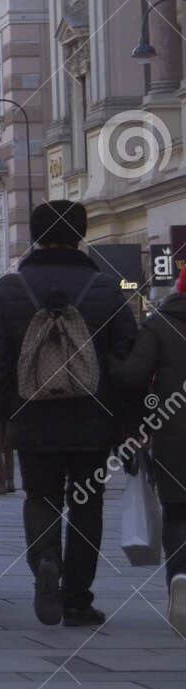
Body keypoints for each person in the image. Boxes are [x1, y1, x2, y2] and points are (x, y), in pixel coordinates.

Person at [0, 200, 137, 627]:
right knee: (87, 505)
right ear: (81, 235)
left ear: (35, 236)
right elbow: (129, 359)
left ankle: (46, 560)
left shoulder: (12, 289)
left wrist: (8, 408)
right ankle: (77, 600)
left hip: (32, 418)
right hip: (93, 419)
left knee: (40, 496)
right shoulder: (106, 288)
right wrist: (123, 419)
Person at [113, 265, 186, 636]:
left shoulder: (160, 324)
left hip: (175, 437)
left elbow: (133, 377)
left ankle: (180, 578)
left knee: (178, 513)